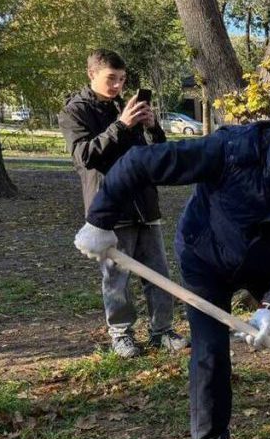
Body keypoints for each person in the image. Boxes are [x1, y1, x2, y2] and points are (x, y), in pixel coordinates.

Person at [73, 121, 270, 439]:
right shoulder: (232, 151)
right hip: (205, 256)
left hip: (266, 262)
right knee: (210, 349)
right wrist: (100, 220)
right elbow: (140, 162)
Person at [59, 49, 186, 358]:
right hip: (110, 208)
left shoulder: (124, 106)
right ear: (92, 74)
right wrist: (120, 125)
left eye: (122, 80)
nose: (118, 86)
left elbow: (157, 154)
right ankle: (121, 334)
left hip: (144, 203)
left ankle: (162, 330)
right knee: (116, 277)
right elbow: (85, 156)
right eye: (111, 79)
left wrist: (152, 126)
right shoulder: (74, 112)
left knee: (158, 272)